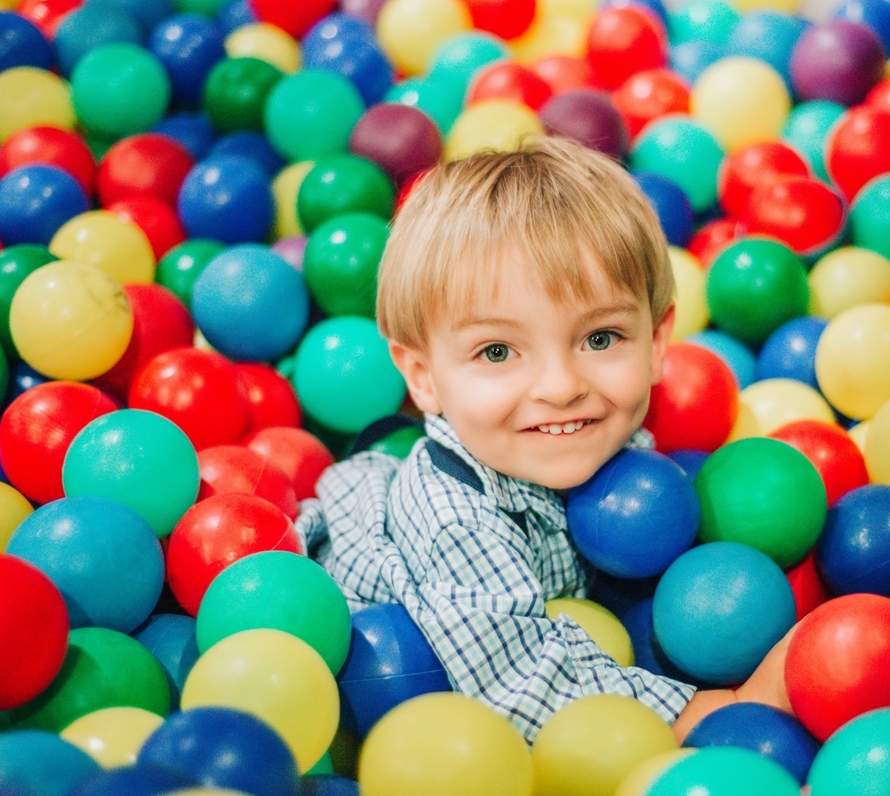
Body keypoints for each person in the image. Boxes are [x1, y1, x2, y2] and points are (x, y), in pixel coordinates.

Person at [295, 136, 789, 744]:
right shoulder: (456, 517)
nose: (560, 387)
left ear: (656, 341)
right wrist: (716, 709)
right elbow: (522, 686)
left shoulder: (609, 441)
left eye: (601, 339)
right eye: (497, 351)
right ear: (423, 376)